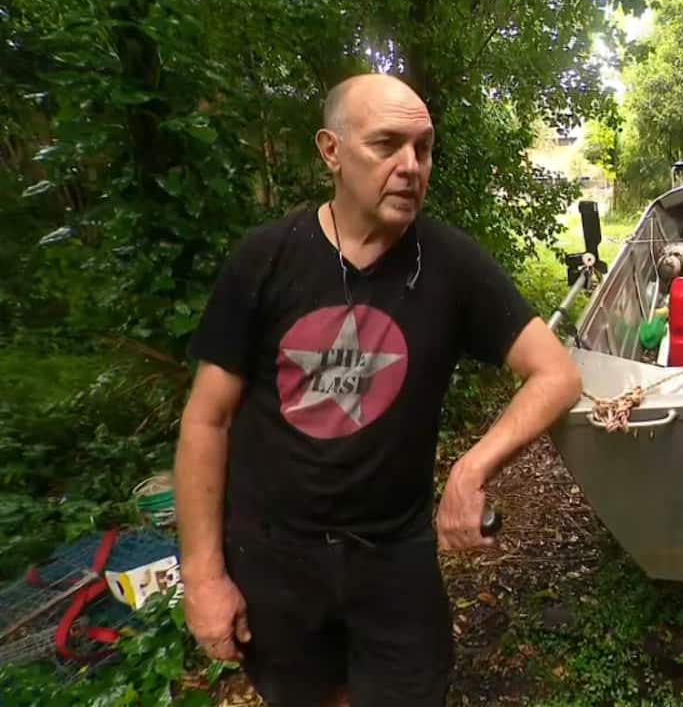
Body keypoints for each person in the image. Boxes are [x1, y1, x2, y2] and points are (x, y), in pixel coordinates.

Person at [173, 73, 582, 707]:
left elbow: (556, 373)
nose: (410, 166)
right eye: (386, 144)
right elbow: (208, 421)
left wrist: (471, 470)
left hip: (395, 556)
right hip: (274, 556)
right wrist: (203, 576)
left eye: (422, 148)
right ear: (331, 151)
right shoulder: (266, 259)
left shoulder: (450, 264)